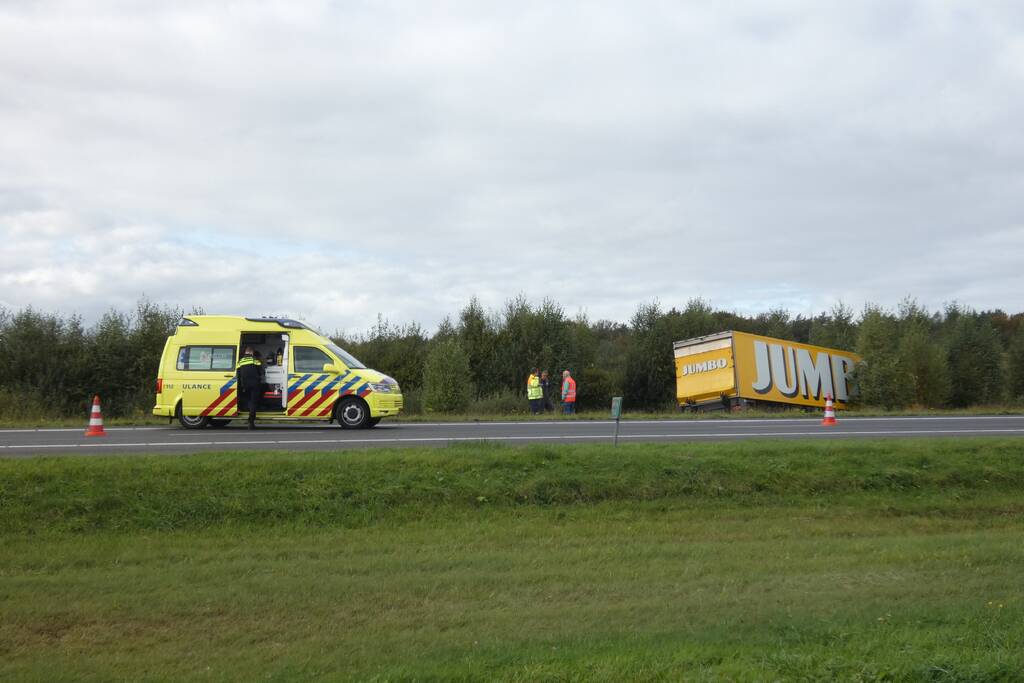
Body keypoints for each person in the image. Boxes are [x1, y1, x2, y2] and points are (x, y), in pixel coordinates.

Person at [236, 346, 263, 429]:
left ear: (245, 352)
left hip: (245, 385)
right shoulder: (255, 361)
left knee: (249, 401)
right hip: (255, 384)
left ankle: (250, 418)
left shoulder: (240, 362)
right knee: (254, 402)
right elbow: (261, 372)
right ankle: (251, 422)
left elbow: (238, 374)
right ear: (252, 352)